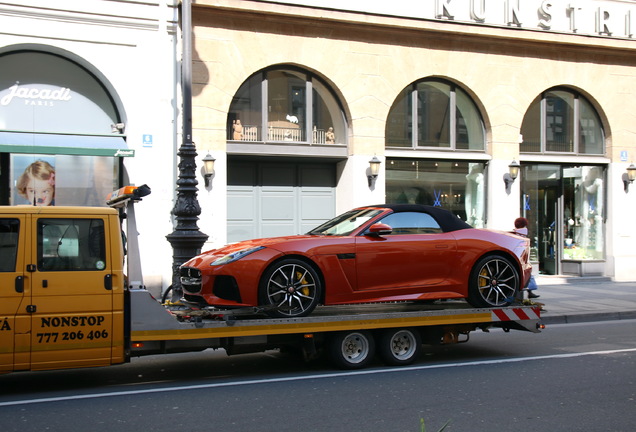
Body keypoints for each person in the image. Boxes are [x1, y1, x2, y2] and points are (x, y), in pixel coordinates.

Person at [514, 217, 539, 298]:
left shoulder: (515, 232)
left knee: (528, 275)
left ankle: (529, 292)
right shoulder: (522, 232)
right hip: (522, 257)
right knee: (528, 274)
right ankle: (529, 292)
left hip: (520, 256)